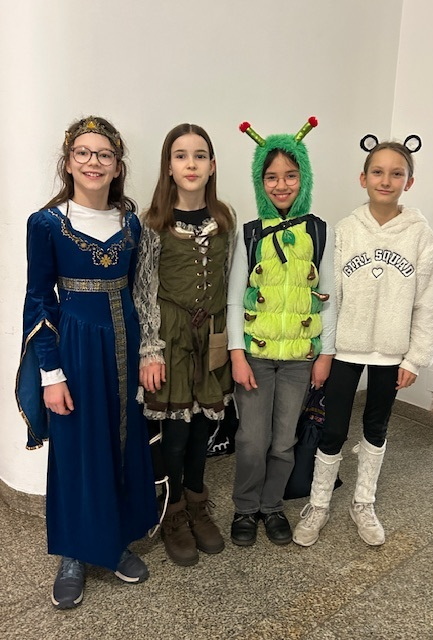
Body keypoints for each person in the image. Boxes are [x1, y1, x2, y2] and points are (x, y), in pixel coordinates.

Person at [15, 116, 158, 609]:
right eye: (83, 152)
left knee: (121, 441)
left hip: (124, 343)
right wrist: (50, 374)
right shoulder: (46, 224)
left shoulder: (130, 223)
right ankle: (74, 553)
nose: (93, 161)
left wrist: (145, 351)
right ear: (69, 161)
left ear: (117, 165)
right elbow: (38, 302)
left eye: (104, 154)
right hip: (75, 349)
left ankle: (114, 543)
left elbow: (139, 291)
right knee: (77, 448)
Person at [293, 134, 433, 548]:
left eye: (396, 174)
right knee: (333, 429)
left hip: (391, 353)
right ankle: (319, 504)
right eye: (378, 172)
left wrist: (414, 358)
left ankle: (363, 502)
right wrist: (324, 350)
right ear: (363, 178)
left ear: (409, 182)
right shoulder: (345, 231)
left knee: (376, 427)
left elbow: (429, 303)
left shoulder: (421, 237)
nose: (386, 180)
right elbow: (328, 296)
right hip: (346, 348)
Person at [228, 118, 337, 546]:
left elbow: (328, 297)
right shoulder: (250, 233)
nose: (281, 185)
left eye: (291, 175)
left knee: (283, 440)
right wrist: (237, 353)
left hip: (298, 359)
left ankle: (272, 505)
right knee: (252, 439)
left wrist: (325, 354)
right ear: (260, 182)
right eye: (271, 177)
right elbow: (235, 298)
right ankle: (245, 507)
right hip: (255, 356)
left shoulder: (319, 231)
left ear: (304, 178)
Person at [134, 123, 236, 566]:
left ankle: (197, 501)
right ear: (169, 167)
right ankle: (173, 511)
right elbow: (143, 290)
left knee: (201, 431)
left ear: (212, 166)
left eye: (199, 155)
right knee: (174, 435)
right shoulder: (154, 222)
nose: (190, 164)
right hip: (171, 338)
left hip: (210, 335)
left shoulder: (225, 219)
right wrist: (150, 350)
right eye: (181, 156)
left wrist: (229, 343)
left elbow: (228, 281)